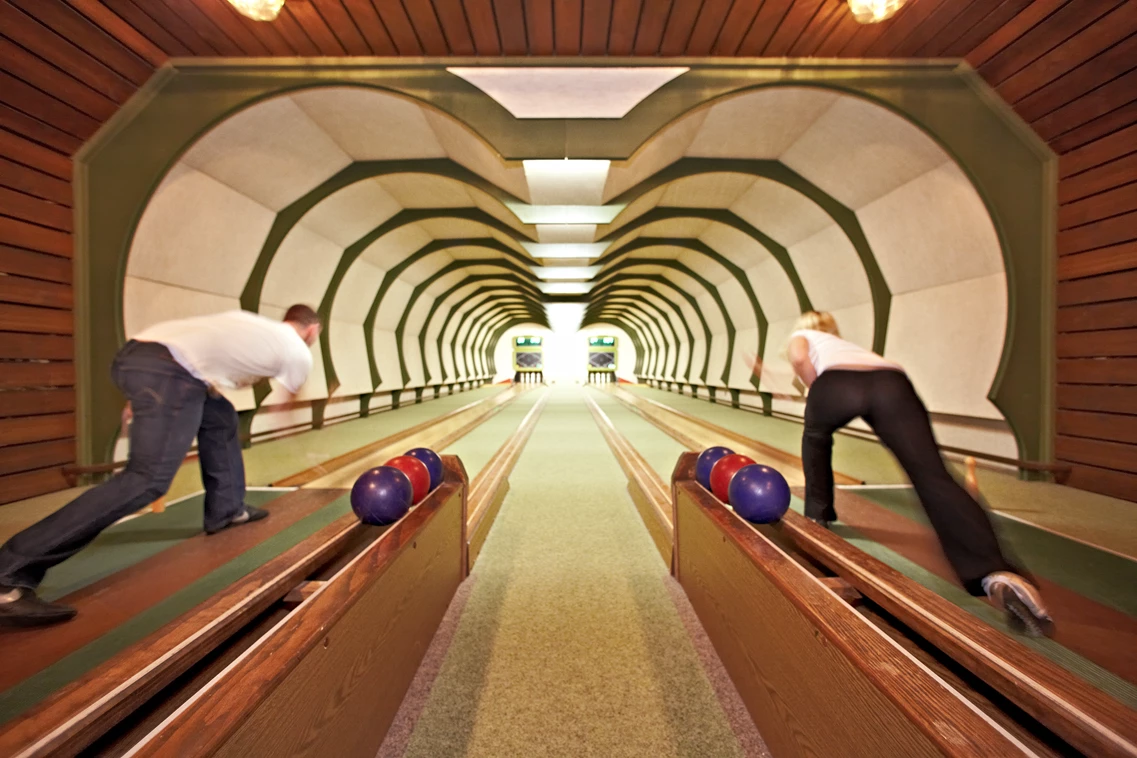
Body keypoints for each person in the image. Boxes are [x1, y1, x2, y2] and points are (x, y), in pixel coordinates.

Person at [0, 305, 321, 628]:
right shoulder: (297, 350)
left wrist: (139, 394)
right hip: (170, 374)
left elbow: (190, 350)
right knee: (147, 480)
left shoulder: (255, 325)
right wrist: (303, 451)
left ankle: (227, 509)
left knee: (220, 416)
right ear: (311, 331)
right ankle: (9, 575)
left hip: (141, 357)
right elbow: (286, 410)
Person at [767, 311, 1052, 637]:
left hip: (836, 383)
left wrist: (816, 390)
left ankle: (818, 516)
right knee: (931, 473)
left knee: (815, 438)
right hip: (891, 382)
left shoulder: (801, 337)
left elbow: (801, 358)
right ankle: (995, 572)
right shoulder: (845, 344)